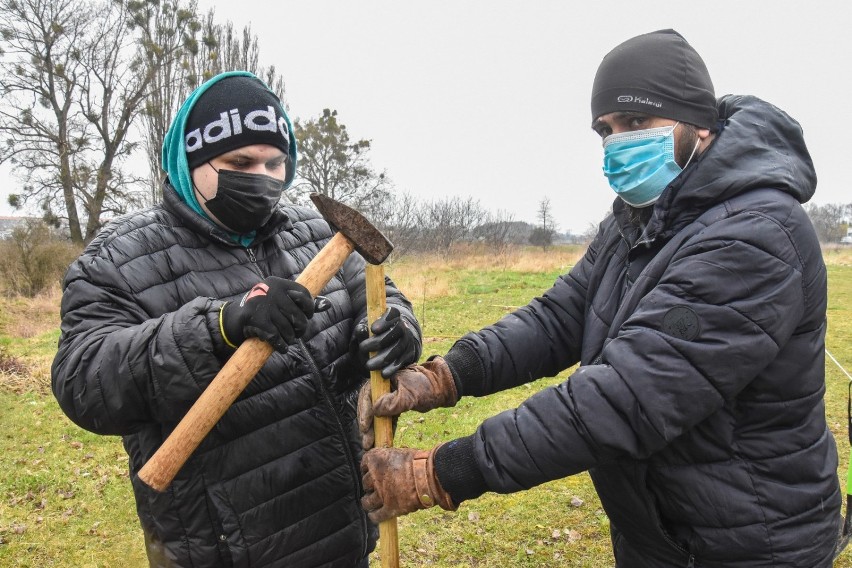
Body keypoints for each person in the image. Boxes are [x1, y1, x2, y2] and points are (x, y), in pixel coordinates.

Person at [358, 29, 841, 567]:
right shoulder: (640, 220)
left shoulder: (755, 236)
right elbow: (556, 318)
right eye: (605, 130)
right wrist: (446, 376)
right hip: (663, 532)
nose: (617, 143)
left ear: (697, 124)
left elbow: (625, 397)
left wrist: (443, 471)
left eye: (636, 123)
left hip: (751, 540)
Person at [51, 70, 422, 568]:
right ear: (191, 161)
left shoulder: (319, 234)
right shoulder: (119, 258)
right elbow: (84, 382)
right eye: (240, 162)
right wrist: (220, 327)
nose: (263, 176)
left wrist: (395, 329)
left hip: (339, 525)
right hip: (223, 545)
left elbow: (380, 296)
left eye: (275, 162)